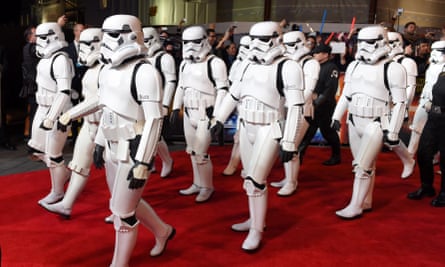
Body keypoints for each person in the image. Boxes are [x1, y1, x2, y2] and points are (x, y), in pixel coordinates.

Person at [211, 21, 305, 251]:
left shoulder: (288, 67)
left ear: (275, 39)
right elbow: (233, 94)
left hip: (269, 126)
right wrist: (219, 119)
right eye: (251, 39)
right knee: (249, 179)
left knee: (255, 180)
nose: (255, 45)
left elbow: (295, 107)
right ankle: (254, 220)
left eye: (260, 39)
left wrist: (290, 140)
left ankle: (256, 230)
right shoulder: (245, 66)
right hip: (247, 126)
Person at [97, 14, 175, 265]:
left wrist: (143, 161)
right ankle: (163, 231)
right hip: (111, 146)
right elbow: (105, 107)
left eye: (112, 33)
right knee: (122, 203)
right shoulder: (107, 70)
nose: (106, 40)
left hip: (133, 148)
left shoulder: (145, 72)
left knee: (122, 212)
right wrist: (99, 141)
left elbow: (154, 119)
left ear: (131, 34)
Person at [331, 25, 407, 219]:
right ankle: (366, 201)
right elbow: (346, 95)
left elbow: (400, 102)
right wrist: (336, 116)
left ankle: (355, 205)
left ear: (382, 42)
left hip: (376, 122)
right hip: (355, 120)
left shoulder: (394, 68)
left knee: (362, 167)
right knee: (365, 165)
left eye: (369, 42)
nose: (364, 47)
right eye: (361, 43)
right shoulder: (354, 66)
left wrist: (393, 130)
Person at [39, 28, 104, 218]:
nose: (83, 49)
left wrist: (69, 115)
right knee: (78, 165)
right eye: (81, 44)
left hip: (107, 129)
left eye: (88, 44)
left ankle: (121, 210)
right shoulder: (92, 70)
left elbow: (100, 99)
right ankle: (66, 204)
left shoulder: (108, 71)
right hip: (89, 124)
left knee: (114, 172)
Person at [170, 25, 229, 203]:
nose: (190, 46)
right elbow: (181, 85)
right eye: (186, 42)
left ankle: (207, 186)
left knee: (201, 153)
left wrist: (218, 117)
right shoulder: (184, 64)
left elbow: (223, 90)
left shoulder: (215, 63)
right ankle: (197, 183)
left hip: (206, 113)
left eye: (195, 41)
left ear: (204, 40)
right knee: (192, 152)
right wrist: (175, 107)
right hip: (188, 112)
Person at [26, 22, 74, 206]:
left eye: (41, 37)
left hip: (58, 110)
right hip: (42, 107)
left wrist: (51, 117)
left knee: (54, 154)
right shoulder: (46, 58)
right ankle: (64, 173)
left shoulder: (61, 59)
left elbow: (64, 92)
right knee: (37, 150)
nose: (37, 42)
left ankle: (57, 192)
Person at [270, 30, 320, 196]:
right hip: (285, 108)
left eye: (290, 45)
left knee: (291, 144)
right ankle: (289, 178)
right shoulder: (286, 63)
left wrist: (293, 103)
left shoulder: (311, 63)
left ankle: (291, 182)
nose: (287, 49)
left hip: (302, 110)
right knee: (287, 144)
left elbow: (308, 90)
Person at [407, 40, 445, 205]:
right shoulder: (433, 68)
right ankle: (427, 185)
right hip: (431, 115)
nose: (434, 55)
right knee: (423, 152)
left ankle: (444, 193)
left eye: (439, 52)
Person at [299, 42, 341, 167]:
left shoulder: (331, 68)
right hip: (312, 104)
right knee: (307, 132)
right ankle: (299, 154)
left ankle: (336, 155)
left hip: (325, 105)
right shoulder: (314, 66)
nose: (314, 55)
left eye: (317, 53)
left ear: (325, 54)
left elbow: (330, 90)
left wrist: (316, 103)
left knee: (327, 131)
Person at [142, 27, 176, 178]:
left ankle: (167, 160)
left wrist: (166, 104)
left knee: (156, 134)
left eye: (146, 40)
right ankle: (150, 161)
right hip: (143, 100)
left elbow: (171, 82)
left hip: (158, 101)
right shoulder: (142, 58)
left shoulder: (165, 58)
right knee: (144, 134)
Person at [386, 31, 418, 179]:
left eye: (392, 42)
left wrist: (404, 107)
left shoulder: (407, 62)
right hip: (383, 103)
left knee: (391, 136)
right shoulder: (385, 61)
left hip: (397, 103)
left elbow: (410, 87)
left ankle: (408, 160)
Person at [221, 35, 251, 176]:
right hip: (241, 106)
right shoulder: (238, 64)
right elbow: (233, 87)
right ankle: (234, 164)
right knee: (240, 138)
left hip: (256, 106)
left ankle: (247, 167)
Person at [66, 22, 87, 144]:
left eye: (83, 30)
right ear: (75, 32)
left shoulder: (87, 47)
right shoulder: (68, 49)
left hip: (85, 83)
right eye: (80, 30)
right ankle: (74, 137)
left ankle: (85, 136)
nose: (82, 33)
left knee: (86, 110)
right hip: (73, 84)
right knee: (73, 110)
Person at [20, 26, 39, 141]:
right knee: (35, 114)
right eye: (36, 33)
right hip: (34, 86)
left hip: (33, 86)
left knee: (35, 114)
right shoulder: (30, 48)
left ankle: (34, 141)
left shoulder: (28, 48)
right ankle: (34, 142)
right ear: (30, 36)